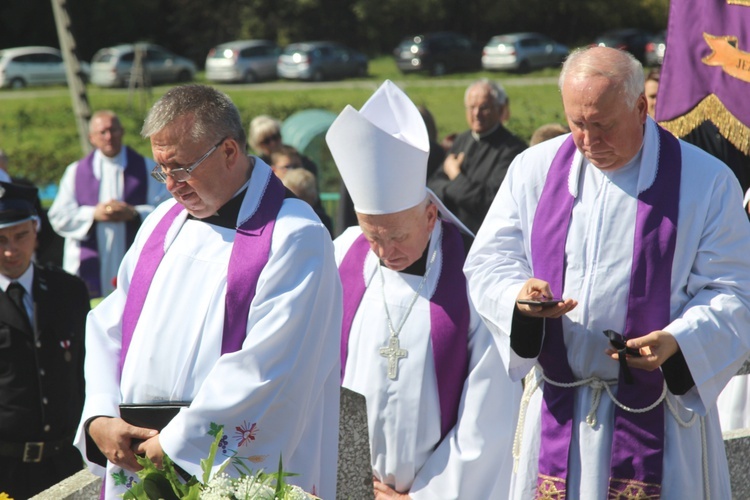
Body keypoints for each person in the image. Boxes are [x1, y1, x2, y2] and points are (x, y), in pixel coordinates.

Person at [464, 46, 750, 499]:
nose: (588, 140)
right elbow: (488, 261)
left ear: (641, 108)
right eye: (577, 123)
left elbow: (735, 292)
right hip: (559, 410)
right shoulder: (533, 170)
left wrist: (680, 342)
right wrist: (519, 298)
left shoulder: (706, 182)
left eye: (603, 124)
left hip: (661, 416)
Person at [73, 85, 342, 499]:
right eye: (161, 170)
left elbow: (271, 366)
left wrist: (180, 443)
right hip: (137, 453)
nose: (170, 187)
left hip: (220, 467)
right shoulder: (163, 222)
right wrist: (100, 416)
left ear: (229, 152)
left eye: (180, 168)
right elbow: (109, 325)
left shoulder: (294, 236)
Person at [328, 80, 522, 499]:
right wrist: (354, 483)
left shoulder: (473, 280)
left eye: (396, 236)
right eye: (373, 236)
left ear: (431, 214)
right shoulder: (344, 256)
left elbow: (487, 417)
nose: (384, 252)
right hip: (351, 483)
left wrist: (420, 497)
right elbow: (326, 374)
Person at [0, 181, 90, 498]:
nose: (11, 250)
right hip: (5, 470)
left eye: (20, 236)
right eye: (0, 240)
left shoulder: (68, 291)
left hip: (65, 461)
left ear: (36, 230)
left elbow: (86, 366)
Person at [48, 110, 167, 298]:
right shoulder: (75, 172)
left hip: (134, 259)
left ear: (123, 131)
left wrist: (134, 214)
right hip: (89, 265)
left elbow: (168, 211)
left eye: (114, 130)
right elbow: (58, 216)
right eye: (102, 132)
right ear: (92, 138)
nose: (109, 137)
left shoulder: (147, 168)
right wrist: (94, 214)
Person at [427, 79, 527, 234]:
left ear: (499, 109)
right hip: (449, 233)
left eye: (484, 107)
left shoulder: (512, 149)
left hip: (482, 236)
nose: (477, 114)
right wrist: (455, 189)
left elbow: (489, 201)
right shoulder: (462, 140)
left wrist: (455, 175)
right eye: (472, 107)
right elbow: (433, 186)